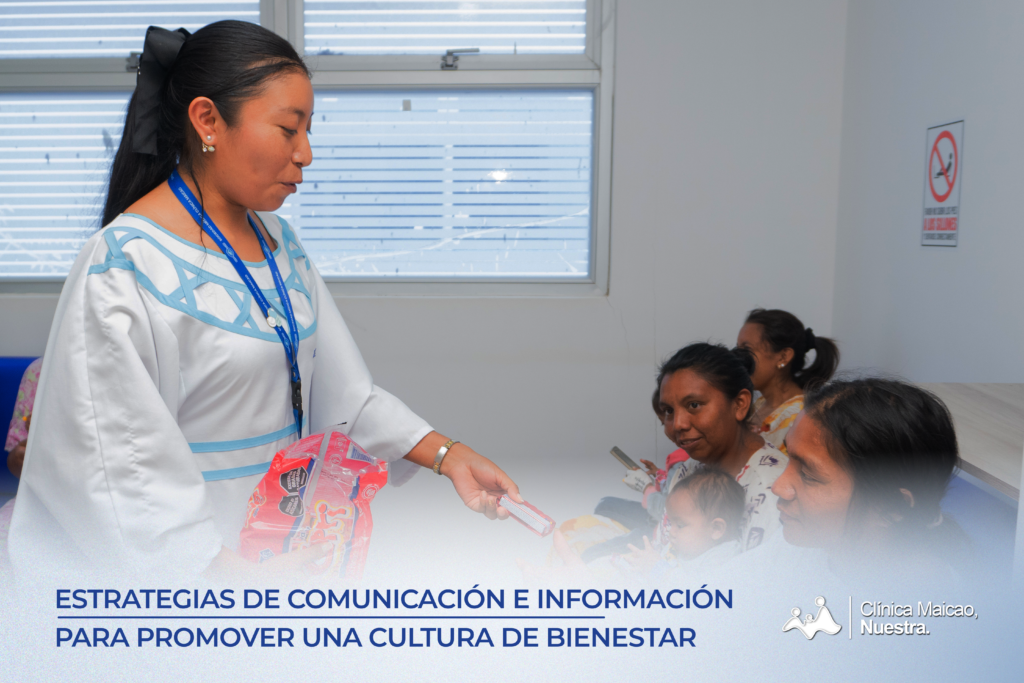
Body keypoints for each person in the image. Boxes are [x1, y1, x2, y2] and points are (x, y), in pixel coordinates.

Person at [7, 21, 520, 578]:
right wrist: (230, 580)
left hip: (277, 555)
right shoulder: (123, 264)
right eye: (287, 129)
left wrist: (449, 456)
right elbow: (119, 470)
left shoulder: (279, 244)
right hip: (192, 582)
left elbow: (341, 395)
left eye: (308, 131)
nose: (306, 154)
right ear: (208, 121)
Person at [771, 377, 969, 581]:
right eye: (788, 457)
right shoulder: (798, 545)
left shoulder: (922, 597)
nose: (777, 487)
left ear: (892, 506)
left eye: (808, 475)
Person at [736, 308, 839, 452]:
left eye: (747, 349)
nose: (738, 358)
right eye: (738, 349)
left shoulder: (803, 417)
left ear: (783, 357)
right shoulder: (759, 405)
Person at [623, 468, 745, 579]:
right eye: (671, 523)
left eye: (680, 525)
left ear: (716, 529)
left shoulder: (722, 557)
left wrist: (657, 568)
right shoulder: (685, 546)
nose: (671, 532)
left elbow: (694, 590)